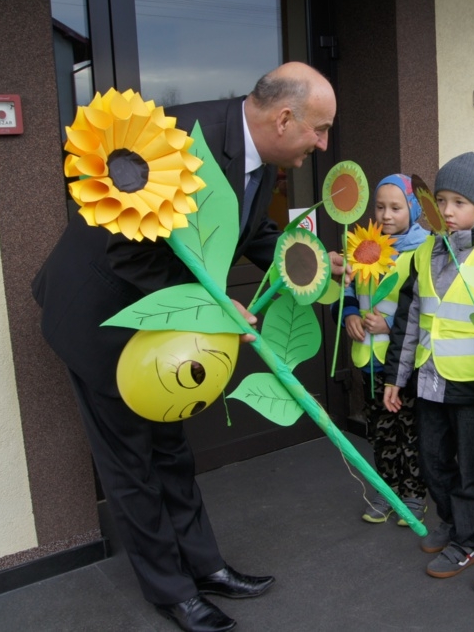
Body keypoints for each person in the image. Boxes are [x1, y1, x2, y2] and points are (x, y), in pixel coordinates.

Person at [32, 62, 337, 632]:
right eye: (318, 130)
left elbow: (248, 230)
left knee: (171, 449)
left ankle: (205, 567)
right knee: (132, 464)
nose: (321, 144)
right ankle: (172, 593)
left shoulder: (258, 156)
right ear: (283, 118)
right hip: (101, 319)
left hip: (159, 328)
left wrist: (306, 260)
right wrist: (215, 307)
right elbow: (127, 253)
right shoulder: (177, 142)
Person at [383, 152, 474, 579]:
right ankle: (449, 520)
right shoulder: (425, 251)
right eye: (440, 200)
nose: (447, 210)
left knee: (472, 469)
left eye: (459, 202)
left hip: (472, 385)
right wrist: (395, 377)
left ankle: (468, 540)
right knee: (433, 460)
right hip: (428, 379)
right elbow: (408, 320)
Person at [337, 174, 428, 525]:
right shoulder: (362, 245)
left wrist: (389, 326)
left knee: (409, 429)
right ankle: (386, 489)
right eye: (379, 207)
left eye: (396, 207)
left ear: (414, 209)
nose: (386, 215)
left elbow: (425, 305)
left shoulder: (423, 250)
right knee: (380, 430)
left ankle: (414, 494)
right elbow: (348, 289)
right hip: (369, 359)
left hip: (404, 362)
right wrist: (349, 314)